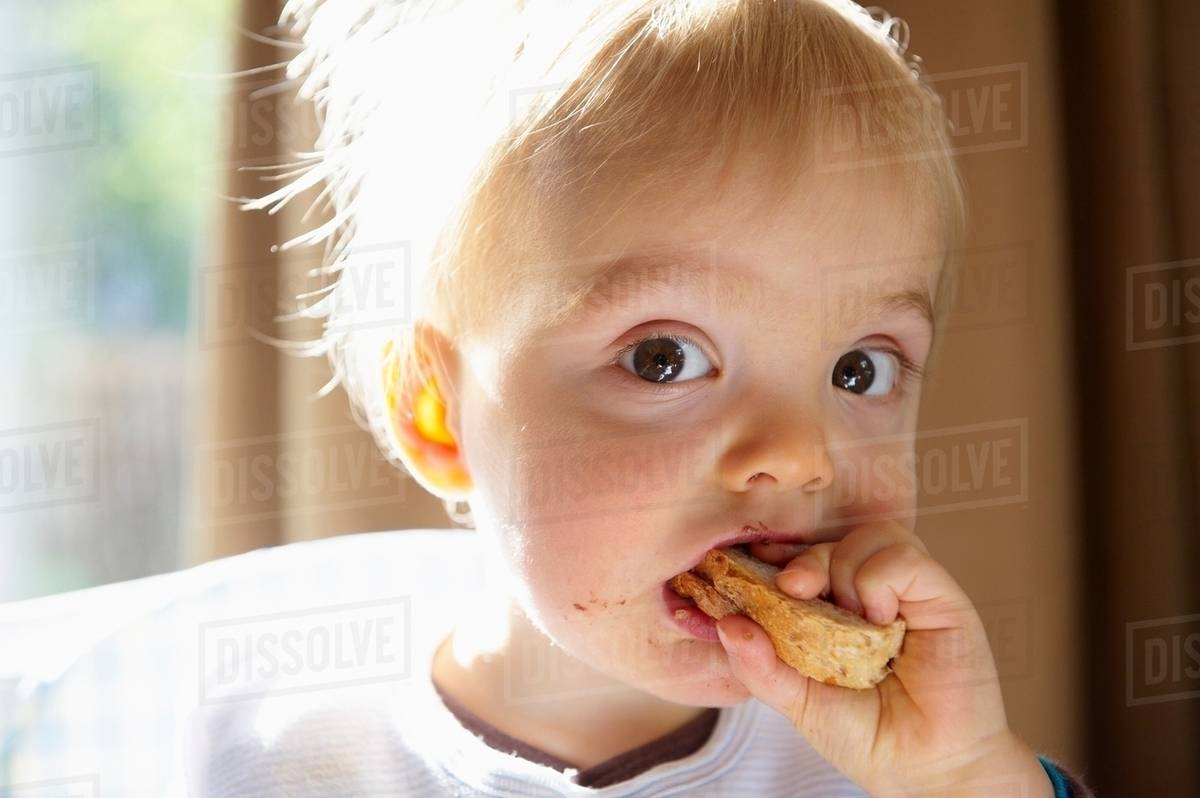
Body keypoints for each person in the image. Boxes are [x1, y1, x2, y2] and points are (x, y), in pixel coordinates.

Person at [189, 1, 1092, 795]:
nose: (802, 453)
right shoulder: (286, 767)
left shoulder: (890, 766)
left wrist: (968, 781)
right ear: (440, 413)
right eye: (663, 358)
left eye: (860, 369)